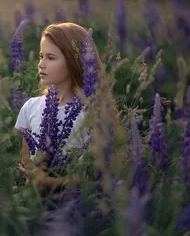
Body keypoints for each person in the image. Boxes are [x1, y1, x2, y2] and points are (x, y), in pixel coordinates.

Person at [15, 22, 123, 192]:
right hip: (35, 207)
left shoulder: (92, 113)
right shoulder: (30, 107)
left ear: (73, 62)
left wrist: (47, 181)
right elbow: (26, 166)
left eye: (50, 58)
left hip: (77, 208)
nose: (41, 64)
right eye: (41, 56)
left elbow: (96, 176)